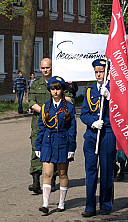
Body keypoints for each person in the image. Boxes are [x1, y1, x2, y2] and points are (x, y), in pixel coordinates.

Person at [28, 58, 73, 194]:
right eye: (42, 68)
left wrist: (55, 107)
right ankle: (36, 181)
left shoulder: (59, 82)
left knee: (54, 151)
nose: (45, 70)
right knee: (36, 149)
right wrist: (44, 110)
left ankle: (52, 180)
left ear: (52, 68)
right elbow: (30, 100)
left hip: (56, 126)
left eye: (47, 68)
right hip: (39, 124)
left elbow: (70, 98)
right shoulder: (36, 84)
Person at [35, 76, 76, 214]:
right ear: (50, 90)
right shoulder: (45, 106)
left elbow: (72, 129)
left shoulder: (69, 107)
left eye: (58, 88)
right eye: (53, 88)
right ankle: (45, 204)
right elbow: (40, 127)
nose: (55, 91)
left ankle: (61, 202)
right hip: (48, 142)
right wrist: (38, 146)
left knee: (63, 174)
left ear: (62, 89)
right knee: (48, 173)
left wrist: (71, 148)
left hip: (63, 142)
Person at [80, 59, 116, 217]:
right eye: (96, 72)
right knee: (91, 171)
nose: (99, 74)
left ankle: (106, 204)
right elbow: (83, 114)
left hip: (107, 133)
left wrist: (110, 98)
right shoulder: (89, 91)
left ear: (107, 72)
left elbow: (121, 111)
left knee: (107, 170)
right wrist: (92, 122)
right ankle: (90, 206)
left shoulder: (114, 90)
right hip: (92, 135)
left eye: (101, 71)